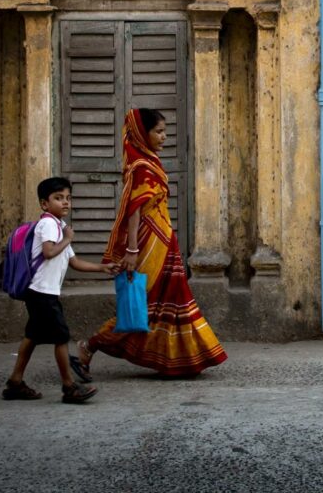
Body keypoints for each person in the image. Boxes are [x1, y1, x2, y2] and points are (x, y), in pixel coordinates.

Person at [72, 108, 227, 379]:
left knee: (171, 299)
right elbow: (135, 210)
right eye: (158, 131)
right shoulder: (141, 166)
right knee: (146, 302)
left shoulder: (149, 162)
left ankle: (176, 359)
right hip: (148, 245)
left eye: (165, 131)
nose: (164, 136)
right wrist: (132, 250)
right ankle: (90, 345)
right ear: (143, 134)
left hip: (164, 241)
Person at [3, 176, 116, 403]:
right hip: (42, 293)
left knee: (32, 336)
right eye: (58, 198)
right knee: (61, 337)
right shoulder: (48, 224)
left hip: (42, 293)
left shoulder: (59, 227)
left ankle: (15, 382)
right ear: (45, 204)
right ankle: (69, 387)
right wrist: (67, 238)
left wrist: (102, 268)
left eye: (68, 198)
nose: (65, 202)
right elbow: (49, 252)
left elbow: (73, 262)